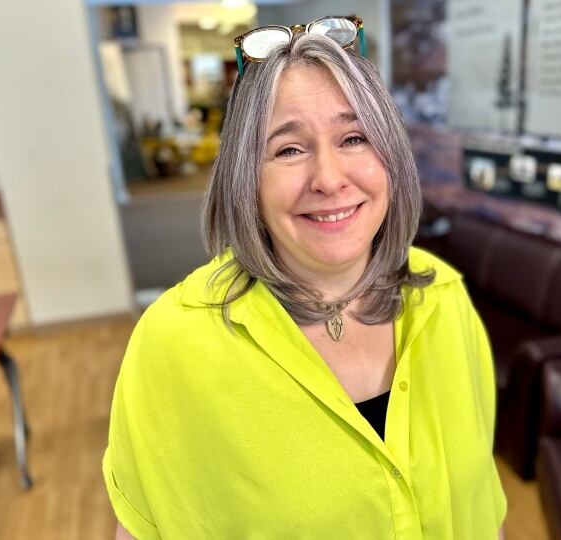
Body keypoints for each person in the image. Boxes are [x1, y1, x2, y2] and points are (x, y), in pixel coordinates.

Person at [104, 16, 506, 540]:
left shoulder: (444, 296)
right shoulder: (174, 344)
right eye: (288, 149)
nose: (330, 178)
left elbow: (483, 505)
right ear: (246, 178)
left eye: (355, 137)